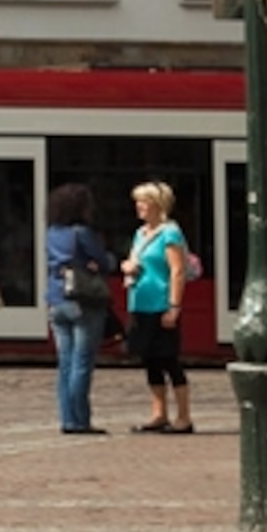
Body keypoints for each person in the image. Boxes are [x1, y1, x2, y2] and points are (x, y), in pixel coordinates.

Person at [44, 182, 117, 435]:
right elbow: (103, 260)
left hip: (56, 299)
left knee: (65, 363)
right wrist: (104, 261)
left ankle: (67, 419)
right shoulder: (81, 232)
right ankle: (80, 420)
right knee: (82, 362)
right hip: (83, 299)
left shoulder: (52, 232)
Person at [122, 182, 195, 435]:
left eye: (143, 201)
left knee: (169, 359)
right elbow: (136, 261)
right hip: (140, 303)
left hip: (161, 303)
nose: (138, 206)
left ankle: (184, 417)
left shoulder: (170, 233)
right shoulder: (140, 234)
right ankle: (159, 413)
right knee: (149, 359)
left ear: (157, 204)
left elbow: (177, 271)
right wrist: (128, 267)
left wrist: (174, 307)